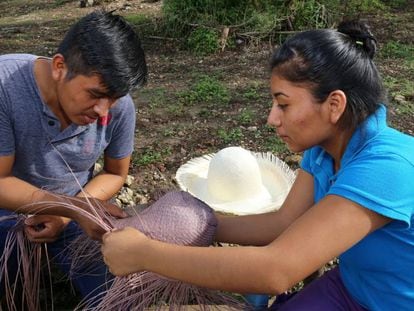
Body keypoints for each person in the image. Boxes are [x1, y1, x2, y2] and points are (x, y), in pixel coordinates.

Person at [101, 19, 414, 311]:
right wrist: (184, 224)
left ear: (334, 105)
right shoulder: (324, 151)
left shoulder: (388, 168)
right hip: (353, 288)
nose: (272, 118)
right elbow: (282, 223)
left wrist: (145, 254)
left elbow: (276, 269)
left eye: (284, 104)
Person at [0, 9, 147, 304]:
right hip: (7, 208)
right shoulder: (5, 88)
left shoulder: (118, 106)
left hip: (75, 203)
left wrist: (71, 214)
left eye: (114, 99)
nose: (103, 112)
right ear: (59, 66)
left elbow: (115, 173)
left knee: (116, 288)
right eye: (95, 94)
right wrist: (73, 209)